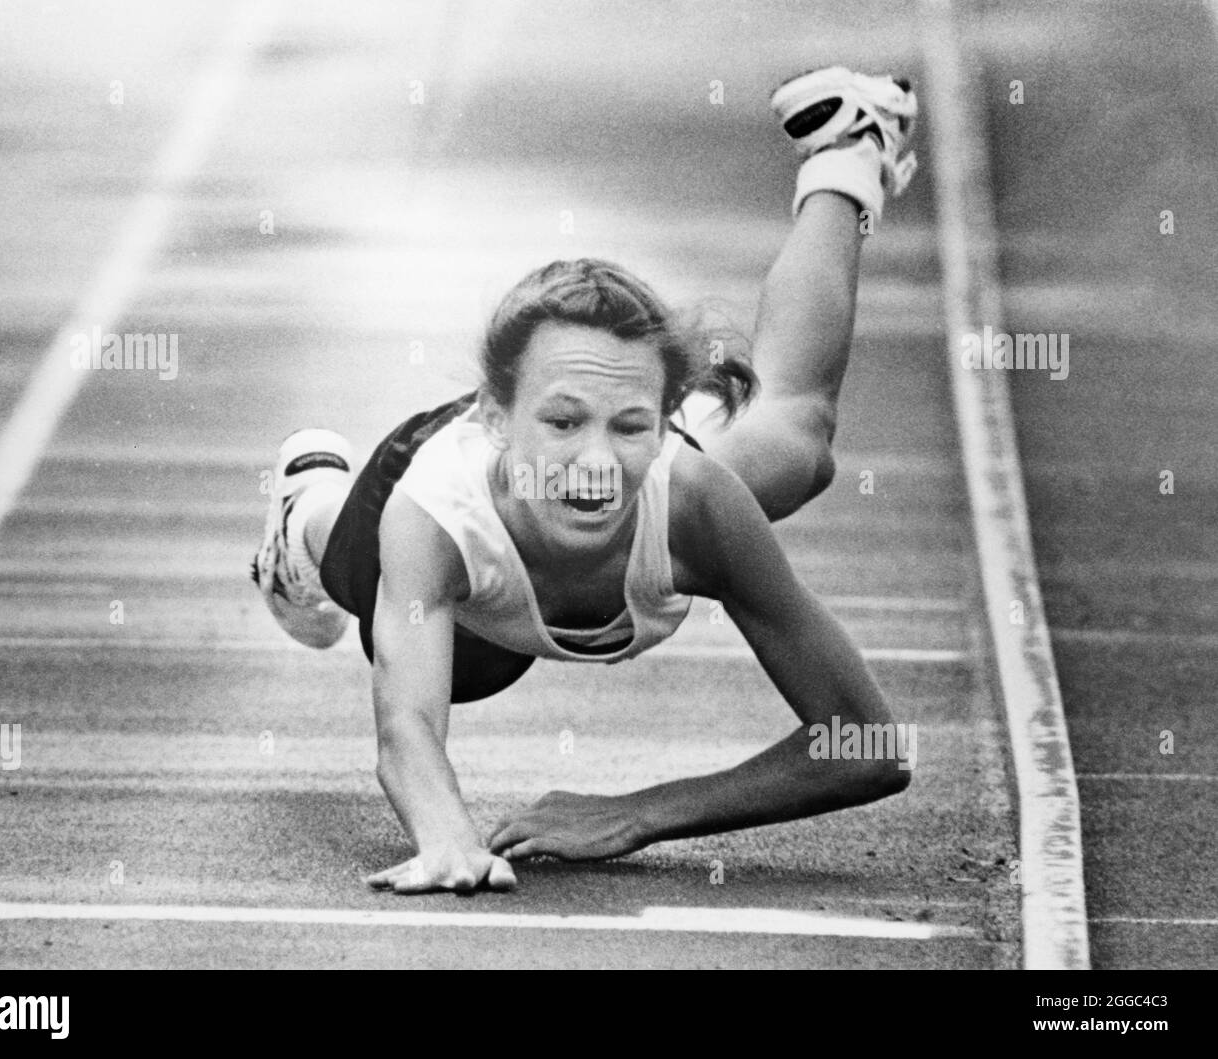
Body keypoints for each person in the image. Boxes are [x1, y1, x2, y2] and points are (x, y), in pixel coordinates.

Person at [251, 66, 921, 894]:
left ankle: (848, 153)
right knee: (455, 658)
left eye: (633, 426)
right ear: (497, 417)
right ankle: (306, 502)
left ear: (669, 416)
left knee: (800, 445)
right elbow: (407, 729)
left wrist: (642, 811)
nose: (598, 464)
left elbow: (869, 746)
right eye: (564, 423)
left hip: (606, 454)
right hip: (451, 523)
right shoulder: (434, 513)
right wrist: (450, 839)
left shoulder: (696, 501)